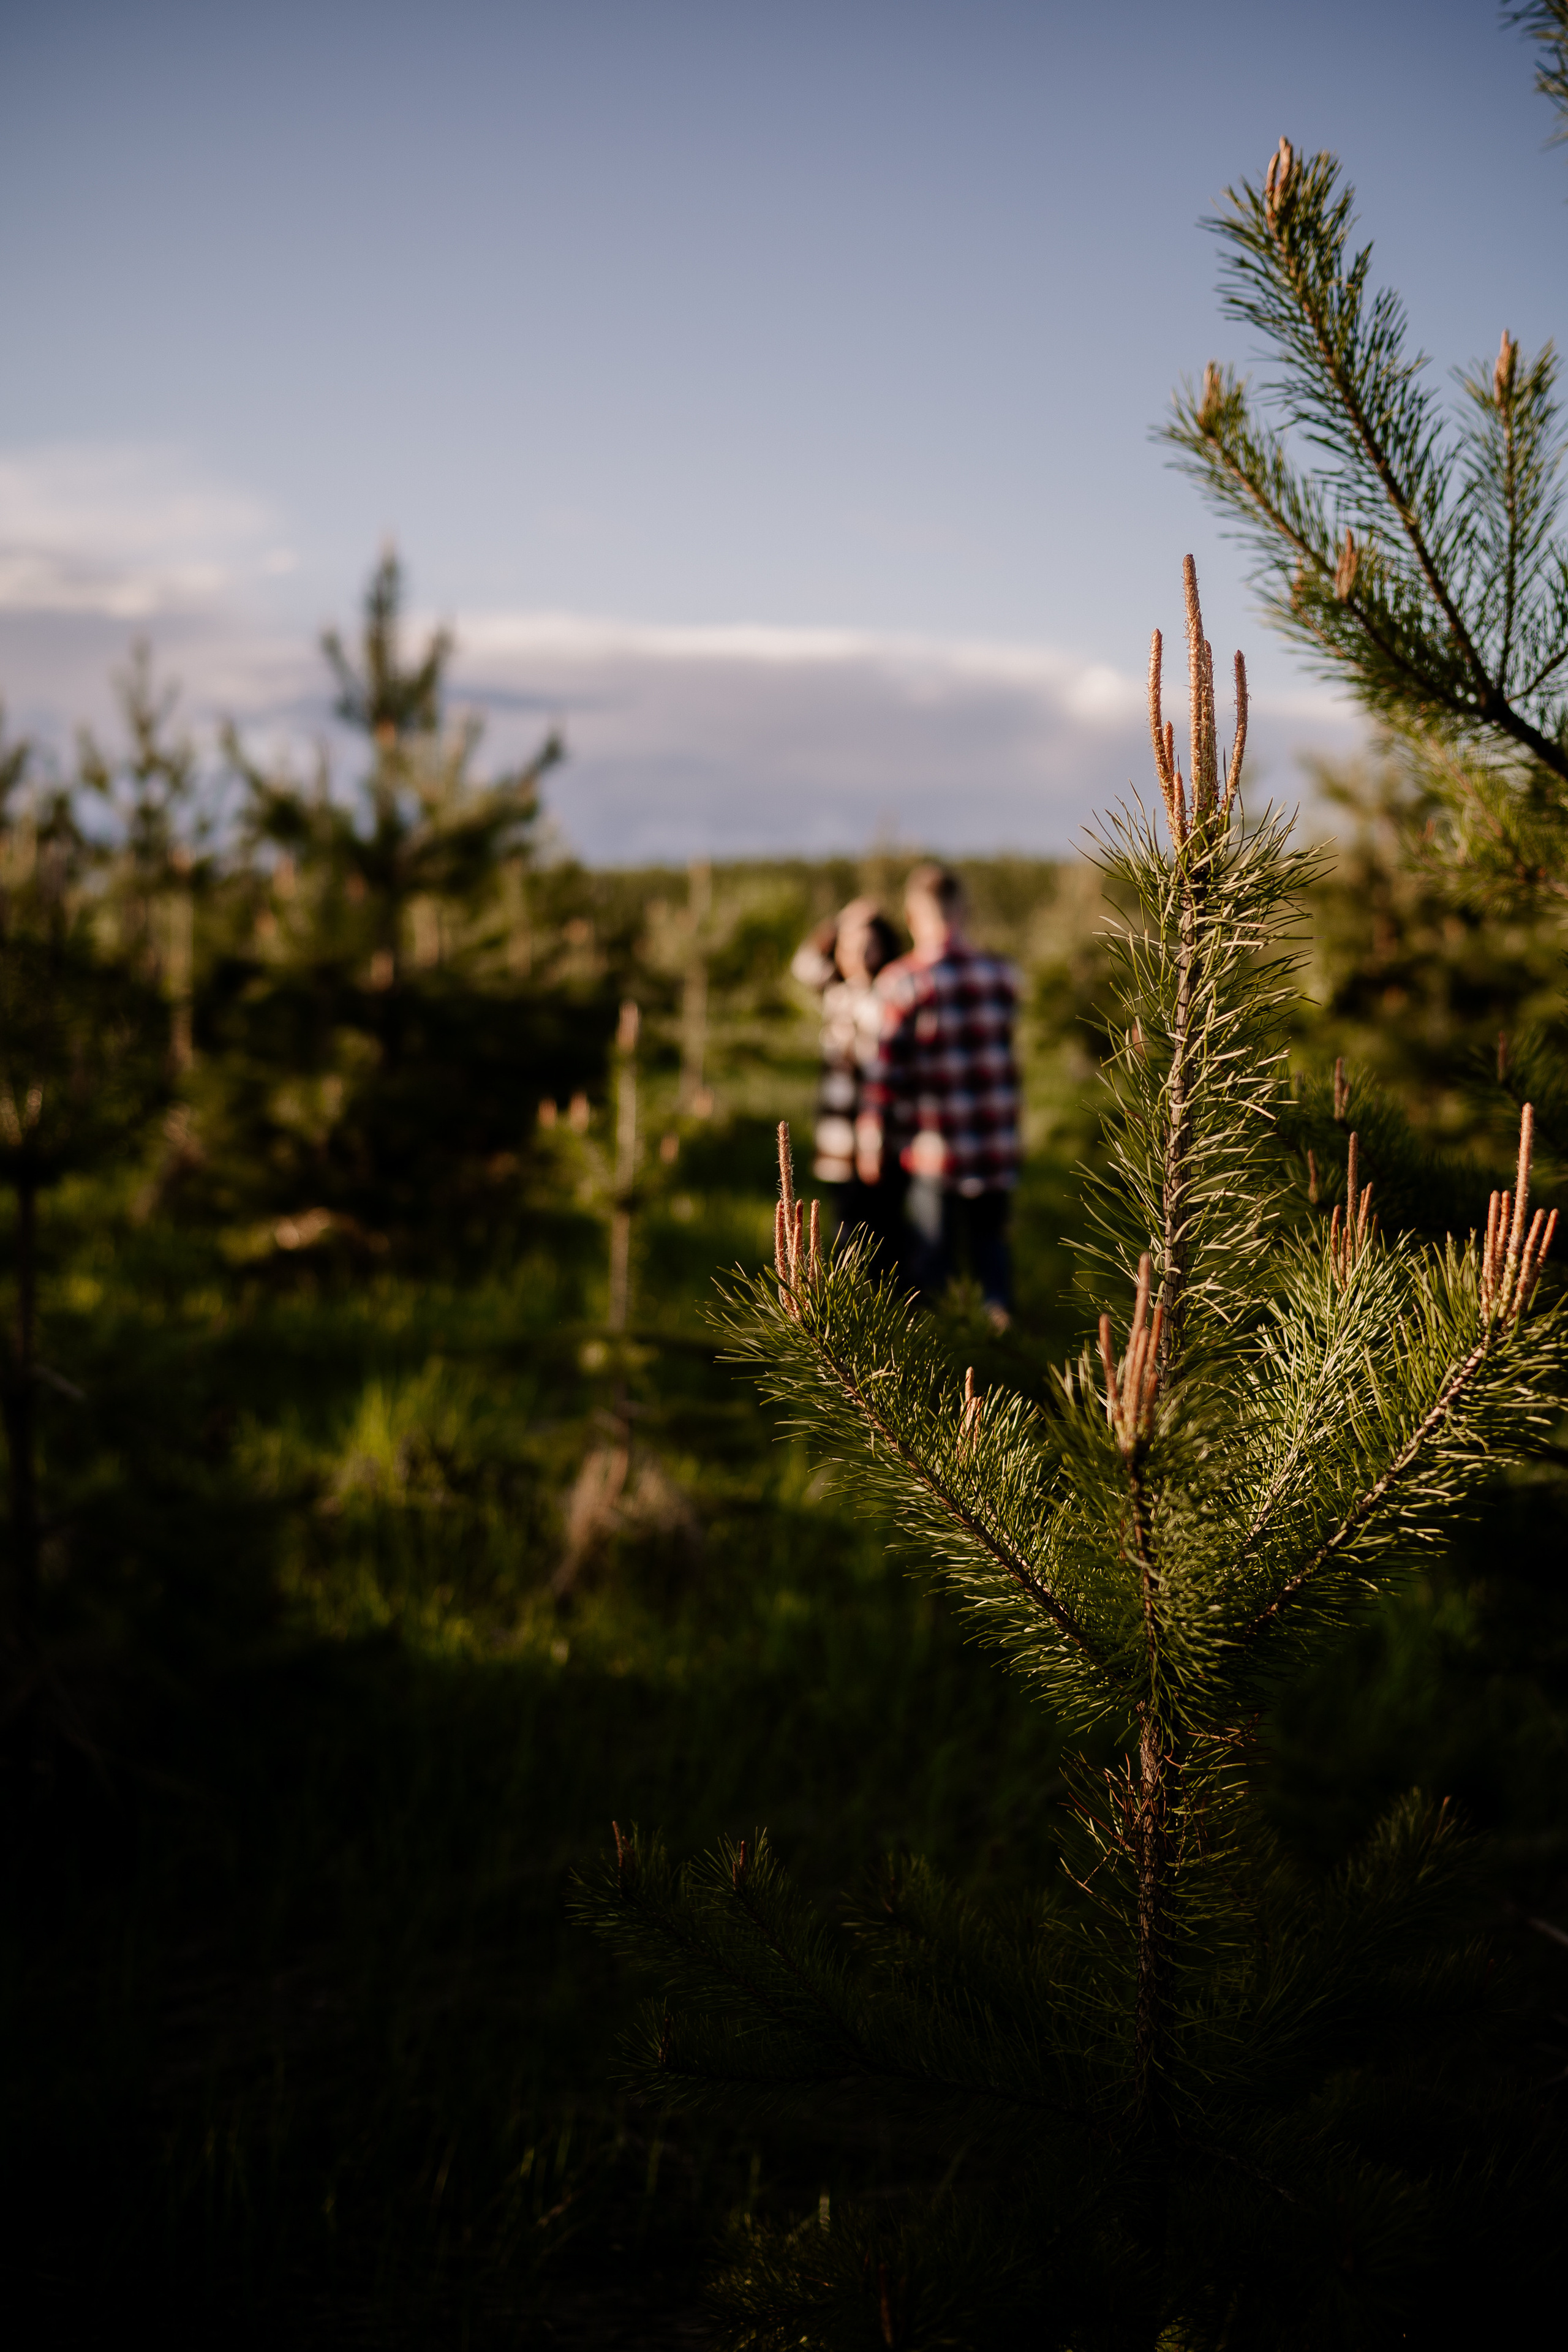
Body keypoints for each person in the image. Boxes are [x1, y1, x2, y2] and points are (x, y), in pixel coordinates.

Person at [860, 862, 1020, 1326]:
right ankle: (1001, 1358)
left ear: (913, 917)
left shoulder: (904, 981)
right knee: (993, 1256)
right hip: (995, 1146)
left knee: (934, 1266)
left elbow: (883, 1073)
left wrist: (872, 1137)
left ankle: (944, 1364)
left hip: (936, 1151)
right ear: (963, 910)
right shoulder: (1000, 975)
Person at [790, 896, 905, 1273]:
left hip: (882, 1131)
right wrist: (840, 919)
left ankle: (888, 1295)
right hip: (839, 1132)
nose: (859, 956)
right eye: (849, 947)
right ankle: (846, 1293)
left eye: (869, 947)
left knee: (884, 1222)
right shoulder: (836, 994)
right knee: (844, 1218)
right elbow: (804, 964)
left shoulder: (890, 992)